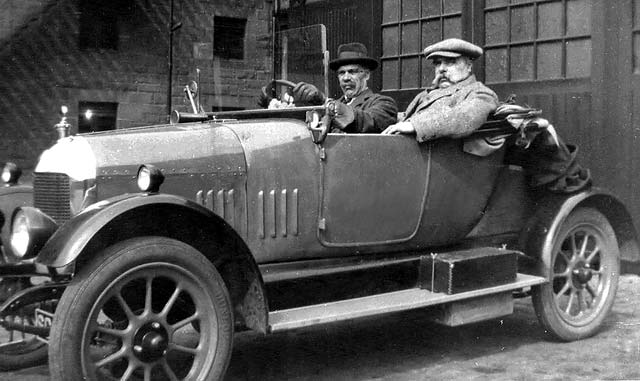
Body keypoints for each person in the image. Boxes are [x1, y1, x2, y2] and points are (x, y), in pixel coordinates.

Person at [382, 38, 498, 141]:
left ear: (469, 66)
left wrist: (414, 125)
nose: (442, 69)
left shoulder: (480, 93)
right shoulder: (428, 94)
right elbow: (406, 118)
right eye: (438, 63)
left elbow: (463, 117)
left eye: (451, 62)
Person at [290, 42, 398, 133]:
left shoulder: (384, 103)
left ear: (367, 75)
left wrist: (325, 102)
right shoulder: (337, 103)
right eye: (341, 73)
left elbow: (368, 121)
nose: (346, 78)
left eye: (352, 72)